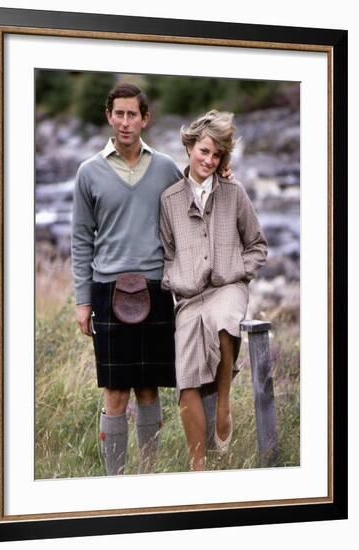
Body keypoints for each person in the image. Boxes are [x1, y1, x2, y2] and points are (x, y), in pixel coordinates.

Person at [71, 83, 233, 476]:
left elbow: (198, 188)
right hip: (108, 288)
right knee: (114, 392)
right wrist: (82, 300)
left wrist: (224, 173)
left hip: (156, 288)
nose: (125, 122)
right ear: (109, 116)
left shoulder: (163, 168)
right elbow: (80, 239)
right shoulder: (87, 172)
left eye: (133, 114)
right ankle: (116, 480)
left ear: (145, 118)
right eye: (119, 113)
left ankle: (148, 473)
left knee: (148, 389)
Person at [159, 110, 268, 471]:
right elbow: (167, 253)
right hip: (189, 298)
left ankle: (224, 402)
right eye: (204, 151)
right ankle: (198, 470)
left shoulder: (234, 192)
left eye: (217, 155)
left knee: (224, 320)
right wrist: (175, 279)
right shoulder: (170, 200)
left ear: (223, 159)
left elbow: (257, 245)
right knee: (187, 376)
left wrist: (239, 271)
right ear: (189, 146)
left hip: (228, 288)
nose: (209, 160)